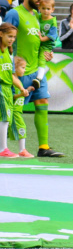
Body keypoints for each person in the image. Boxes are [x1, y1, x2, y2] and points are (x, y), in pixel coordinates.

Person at [4, 0, 62, 157]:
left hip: (36, 70)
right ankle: (6, 147)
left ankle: (43, 147)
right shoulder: (14, 14)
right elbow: (4, 37)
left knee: (42, 102)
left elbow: (41, 41)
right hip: (18, 71)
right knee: (12, 109)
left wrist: (48, 53)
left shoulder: (38, 16)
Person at [0, 22, 15, 157]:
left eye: (14, 37)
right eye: (9, 36)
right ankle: (3, 149)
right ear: (1, 34)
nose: (12, 39)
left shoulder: (9, 52)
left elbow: (11, 74)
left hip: (7, 89)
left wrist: (21, 87)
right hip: (1, 87)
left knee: (5, 118)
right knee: (4, 118)